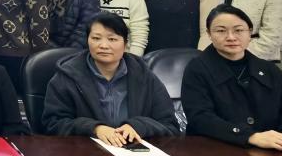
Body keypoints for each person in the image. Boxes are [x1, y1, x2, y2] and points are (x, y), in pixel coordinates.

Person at [182, 4, 282, 152]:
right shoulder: (197, 69)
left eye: (238, 30)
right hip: (214, 153)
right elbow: (200, 119)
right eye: (221, 31)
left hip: (270, 153)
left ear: (249, 33)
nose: (231, 37)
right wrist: (250, 136)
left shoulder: (270, 71)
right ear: (209, 34)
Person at [42, 13, 180, 145]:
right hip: (85, 153)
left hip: (134, 153)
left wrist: (138, 126)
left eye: (112, 39)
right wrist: (95, 128)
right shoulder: (67, 77)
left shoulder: (145, 77)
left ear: (125, 44)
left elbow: (170, 126)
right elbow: (52, 124)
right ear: (87, 41)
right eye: (96, 38)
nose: (103, 45)